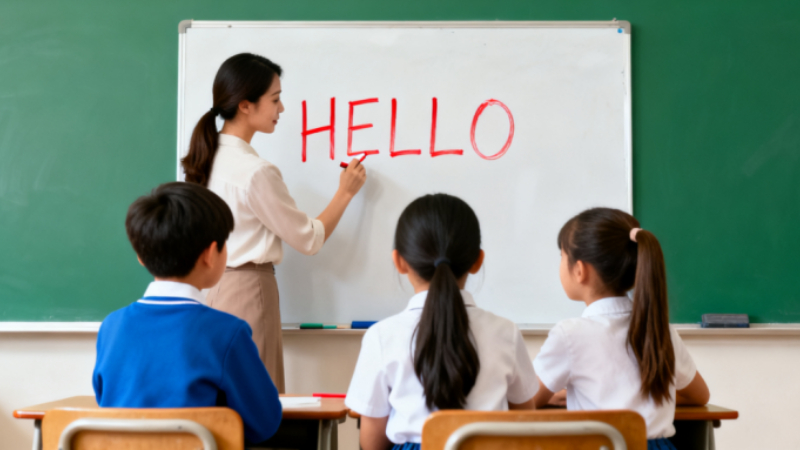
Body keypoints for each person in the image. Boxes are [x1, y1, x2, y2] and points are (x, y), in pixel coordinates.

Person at [181, 53, 367, 393]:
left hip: (207, 290)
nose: (281, 109)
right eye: (276, 99)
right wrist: (346, 192)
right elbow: (309, 239)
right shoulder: (255, 172)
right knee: (258, 401)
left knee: (223, 399)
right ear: (246, 105)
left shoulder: (205, 158)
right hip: (248, 291)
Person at [92, 182, 282, 444]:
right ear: (209, 254)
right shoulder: (227, 332)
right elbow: (264, 422)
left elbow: (107, 402)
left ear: (140, 256)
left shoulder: (112, 327)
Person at [345, 194, 538, 450]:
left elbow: (372, 443)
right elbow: (525, 421)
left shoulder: (381, 336)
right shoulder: (506, 333)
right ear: (478, 261)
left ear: (400, 261)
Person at [532, 207, 710, 449]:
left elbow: (526, 401)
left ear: (579, 269)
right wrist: (644, 401)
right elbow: (699, 396)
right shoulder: (660, 330)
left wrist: (553, 396)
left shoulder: (569, 334)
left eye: (562, 255)